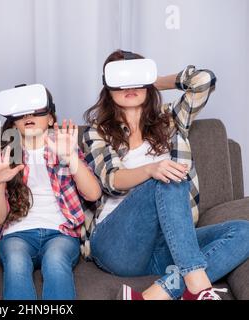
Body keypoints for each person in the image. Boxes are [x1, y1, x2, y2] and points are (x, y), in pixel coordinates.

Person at [82, 49, 249, 300]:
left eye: (137, 78)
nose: (130, 85)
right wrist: (151, 169)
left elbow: (204, 80)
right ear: (108, 85)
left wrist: (152, 80)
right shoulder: (97, 132)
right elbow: (111, 180)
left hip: (168, 245)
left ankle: (157, 294)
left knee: (244, 232)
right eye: (121, 79)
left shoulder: (170, 119)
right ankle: (199, 288)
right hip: (118, 244)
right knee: (168, 177)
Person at [0, 85, 101, 299]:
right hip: (16, 235)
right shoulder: (5, 157)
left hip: (60, 233)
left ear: (50, 118)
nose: (29, 115)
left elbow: (93, 194)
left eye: (36, 110)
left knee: (56, 260)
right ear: (14, 122)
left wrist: (70, 157)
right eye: (22, 112)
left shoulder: (65, 148)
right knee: (16, 262)